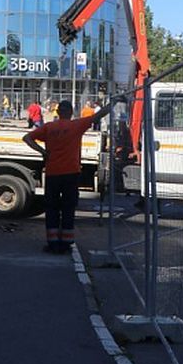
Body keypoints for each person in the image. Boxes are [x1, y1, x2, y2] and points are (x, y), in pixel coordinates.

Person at [23, 98, 116, 254]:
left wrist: (44, 152)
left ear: (58, 112)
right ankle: (65, 244)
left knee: (52, 209)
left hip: (53, 173)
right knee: (68, 209)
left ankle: (52, 244)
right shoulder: (76, 126)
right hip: (71, 174)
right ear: (71, 113)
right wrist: (114, 102)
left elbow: (27, 138)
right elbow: (98, 115)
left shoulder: (49, 127)